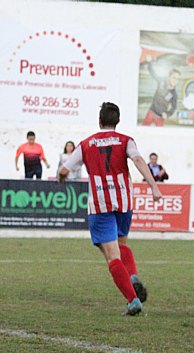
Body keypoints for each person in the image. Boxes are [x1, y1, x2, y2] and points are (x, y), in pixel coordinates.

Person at [59, 102, 163, 316]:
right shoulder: (126, 141)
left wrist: (61, 177)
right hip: (124, 202)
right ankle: (132, 275)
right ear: (117, 121)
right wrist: (153, 186)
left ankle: (133, 300)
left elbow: (64, 169)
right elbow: (138, 160)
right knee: (121, 244)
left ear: (99, 120)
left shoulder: (86, 144)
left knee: (111, 255)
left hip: (100, 205)